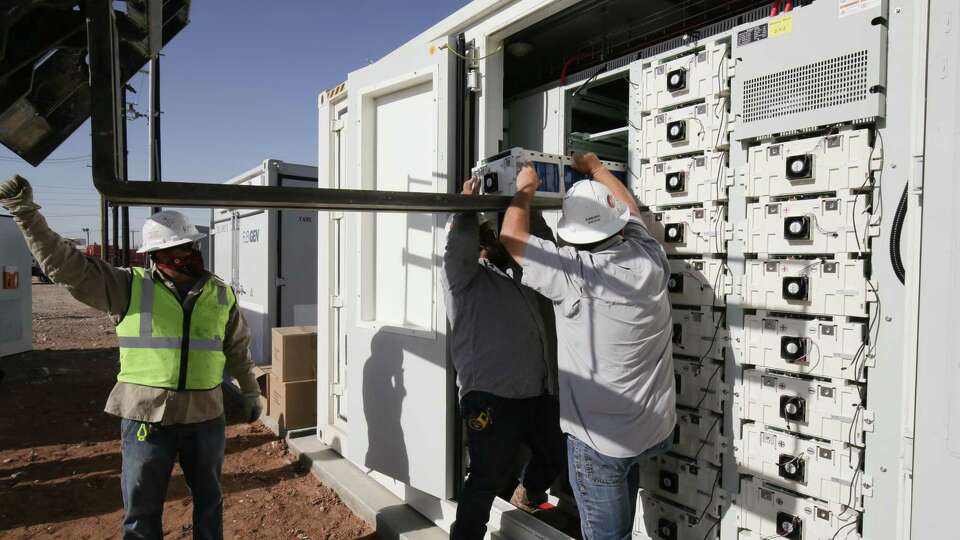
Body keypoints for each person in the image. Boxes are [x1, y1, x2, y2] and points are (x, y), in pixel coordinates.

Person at [0, 175, 262, 540]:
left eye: (189, 246)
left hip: (205, 418)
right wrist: (26, 214)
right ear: (156, 256)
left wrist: (250, 391)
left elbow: (237, 347)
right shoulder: (128, 287)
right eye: (177, 250)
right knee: (141, 510)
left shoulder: (220, 293)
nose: (186, 255)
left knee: (209, 501)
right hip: (146, 420)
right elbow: (66, 266)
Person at [499, 153, 677, 540]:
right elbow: (632, 213)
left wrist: (525, 189)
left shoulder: (575, 274)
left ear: (571, 234)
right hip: (652, 429)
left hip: (600, 444)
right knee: (621, 511)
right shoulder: (650, 257)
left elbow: (511, 238)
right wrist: (597, 169)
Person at [443, 176, 564, 540]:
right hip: (490, 397)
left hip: (537, 391)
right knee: (484, 478)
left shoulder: (521, 276)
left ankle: (527, 495)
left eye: (491, 239)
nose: (487, 246)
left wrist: (523, 203)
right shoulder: (463, 280)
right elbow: (458, 248)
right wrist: (468, 206)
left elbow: (541, 246)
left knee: (555, 453)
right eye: (482, 241)